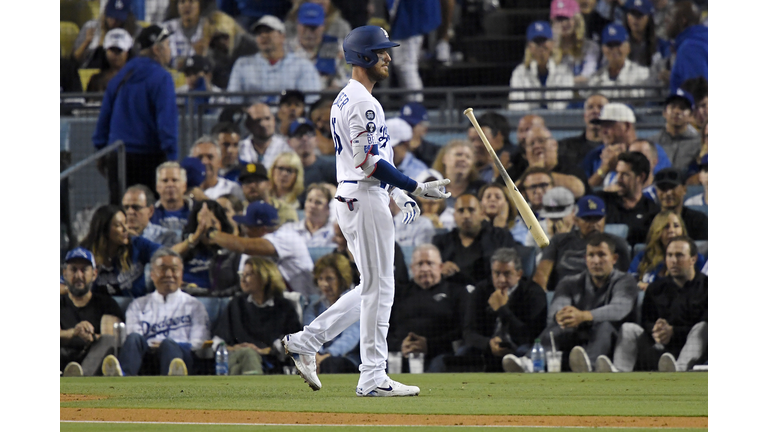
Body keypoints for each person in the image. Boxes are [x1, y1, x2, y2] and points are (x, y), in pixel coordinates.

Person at [281, 25, 451, 397]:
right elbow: (368, 163)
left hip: (359, 196)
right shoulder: (361, 101)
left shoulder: (350, 97)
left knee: (370, 288)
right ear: (363, 57)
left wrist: (398, 192)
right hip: (363, 197)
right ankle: (372, 375)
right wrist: (415, 187)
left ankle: (307, 341)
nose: (388, 56)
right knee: (381, 289)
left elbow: (376, 160)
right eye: (381, 51)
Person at [504, 232, 638, 373]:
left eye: (602, 255)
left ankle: (589, 366)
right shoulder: (570, 282)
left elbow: (618, 310)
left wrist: (583, 316)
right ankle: (529, 362)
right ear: (585, 259)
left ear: (614, 258)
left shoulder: (626, 281)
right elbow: (555, 312)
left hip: (613, 341)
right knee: (559, 325)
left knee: (605, 326)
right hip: (576, 338)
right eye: (591, 255)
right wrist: (562, 316)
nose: (596, 261)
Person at [93, 24, 178, 205]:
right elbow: (166, 124)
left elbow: (104, 117)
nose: (170, 51)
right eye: (168, 45)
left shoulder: (121, 75)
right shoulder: (162, 78)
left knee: (120, 213)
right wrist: (172, 159)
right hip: (150, 158)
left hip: (118, 156)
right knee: (148, 214)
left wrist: (102, 151)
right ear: (157, 49)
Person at [598, 236, 707, 372]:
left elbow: (706, 327)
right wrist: (656, 330)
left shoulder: (707, 286)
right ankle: (619, 373)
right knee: (628, 329)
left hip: (691, 347)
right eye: (669, 255)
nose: (673, 261)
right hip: (659, 347)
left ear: (693, 259)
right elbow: (646, 321)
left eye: (679, 255)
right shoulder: (655, 288)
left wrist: (673, 332)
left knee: (703, 328)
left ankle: (678, 372)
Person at [101, 249, 210, 376]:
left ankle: (173, 382)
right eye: (162, 269)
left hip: (181, 359)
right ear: (152, 274)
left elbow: (199, 342)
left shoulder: (195, 306)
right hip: (147, 358)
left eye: (174, 269)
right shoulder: (138, 305)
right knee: (134, 338)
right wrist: (156, 346)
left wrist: (168, 344)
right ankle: (122, 378)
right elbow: (134, 337)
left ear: (181, 274)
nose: (169, 274)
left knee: (169, 345)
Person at [212, 256, 303, 375]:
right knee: (248, 354)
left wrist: (266, 351)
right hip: (236, 357)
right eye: (242, 274)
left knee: (238, 369)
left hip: (271, 362)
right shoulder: (236, 304)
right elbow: (217, 342)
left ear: (264, 277)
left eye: (249, 274)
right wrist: (236, 349)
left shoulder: (284, 307)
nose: (243, 279)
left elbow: (296, 343)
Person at [462, 248, 547, 371]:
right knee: (464, 353)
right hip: (488, 348)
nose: (501, 280)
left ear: (519, 274)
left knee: (523, 352)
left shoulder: (534, 293)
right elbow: (468, 332)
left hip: (519, 349)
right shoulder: (481, 290)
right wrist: (488, 343)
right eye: (496, 273)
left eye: (507, 274)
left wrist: (502, 309)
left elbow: (531, 336)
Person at [387, 244, 468, 373]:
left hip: (441, 354)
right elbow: (385, 329)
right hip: (400, 354)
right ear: (412, 268)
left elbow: (463, 331)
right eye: (420, 264)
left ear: (441, 267)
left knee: (439, 364)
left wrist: (429, 345)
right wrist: (400, 345)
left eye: (430, 263)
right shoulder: (398, 294)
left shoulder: (456, 292)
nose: (425, 268)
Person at [209, 201, 315, 297]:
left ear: (262, 229)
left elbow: (242, 245)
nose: (245, 229)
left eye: (248, 226)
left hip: (305, 302)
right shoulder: (252, 246)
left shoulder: (288, 237)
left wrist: (211, 232)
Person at [532, 195, 631, 292]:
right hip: (564, 294)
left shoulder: (618, 244)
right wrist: (541, 296)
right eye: (588, 219)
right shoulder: (559, 241)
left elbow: (624, 278)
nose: (594, 224)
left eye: (598, 218)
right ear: (575, 220)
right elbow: (543, 272)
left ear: (605, 218)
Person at [227, 15, 322, 105]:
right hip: (254, 119)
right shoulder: (243, 65)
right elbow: (233, 101)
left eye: (268, 31)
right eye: (259, 33)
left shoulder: (303, 66)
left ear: (282, 36)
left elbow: (312, 100)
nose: (263, 35)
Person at [60, 248, 125, 376]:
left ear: (94, 274)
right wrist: (75, 332)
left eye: (84, 270)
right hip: (61, 359)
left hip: (94, 361)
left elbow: (112, 339)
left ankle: (80, 378)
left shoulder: (107, 303)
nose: (79, 275)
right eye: (73, 269)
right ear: (64, 273)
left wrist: (92, 336)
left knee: (108, 341)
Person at [433, 194, 519, 285]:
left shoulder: (500, 237)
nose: (466, 215)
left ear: (482, 213)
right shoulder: (441, 242)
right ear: (454, 216)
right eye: (461, 211)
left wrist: (459, 273)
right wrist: (440, 270)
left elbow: (510, 269)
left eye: (471, 210)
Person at [81, 205, 163, 298]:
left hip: (136, 308)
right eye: (118, 225)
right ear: (104, 229)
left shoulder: (137, 244)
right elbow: (64, 284)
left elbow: (166, 255)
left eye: (126, 223)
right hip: (100, 309)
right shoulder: (85, 253)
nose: (125, 229)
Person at [583, 103, 670, 189]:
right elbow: (583, 190)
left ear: (627, 126)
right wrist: (604, 169)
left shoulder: (649, 150)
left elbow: (660, 184)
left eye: (609, 125)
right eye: (601, 125)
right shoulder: (596, 154)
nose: (603, 131)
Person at [303, 253, 361, 374]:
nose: (324, 284)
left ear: (342, 279)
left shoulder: (355, 303)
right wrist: (317, 355)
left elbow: (351, 337)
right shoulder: (314, 307)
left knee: (330, 363)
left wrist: (327, 355)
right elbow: (310, 334)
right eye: (320, 279)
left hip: (350, 359)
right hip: (319, 358)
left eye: (329, 278)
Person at [176, 200, 242, 296]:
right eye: (201, 224)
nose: (207, 228)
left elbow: (238, 286)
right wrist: (194, 238)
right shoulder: (186, 248)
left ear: (221, 224)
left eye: (213, 223)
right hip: (186, 299)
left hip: (217, 300)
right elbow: (166, 257)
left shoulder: (231, 252)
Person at [628, 210, 705, 290]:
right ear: (657, 231)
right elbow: (629, 280)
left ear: (682, 230)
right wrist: (639, 284)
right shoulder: (644, 256)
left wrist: (653, 288)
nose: (671, 230)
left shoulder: (694, 258)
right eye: (666, 227)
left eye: (676, 226)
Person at [508, 21, 575, 111]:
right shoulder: (519, 72)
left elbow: (562, 106)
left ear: (552, 43)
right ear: (529, 46)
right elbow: (517, 107)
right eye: (537, 41)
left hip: (557, 122)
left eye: (544, 41)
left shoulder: (564, 71)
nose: (541, 46)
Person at [597, 151, 660, 245]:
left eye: (625, 174)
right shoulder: (603, 200)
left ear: (641, 177)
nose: (618, 179)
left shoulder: (652, 211)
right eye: (617, 173)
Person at [387, 0, 441, 101]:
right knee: (406, 64)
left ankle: (415, 110)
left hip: (409, 16)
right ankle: (413, 107)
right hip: (414, 14)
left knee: (405, 65)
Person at [287, 3, 349, 89]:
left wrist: (336, 86)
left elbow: (348, 79)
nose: (309, 32)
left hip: (327, 98)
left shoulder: (337, 47)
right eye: (305, 26)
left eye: (313, 27)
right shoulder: (285, 49)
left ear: (323, 26)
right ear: (297, 24)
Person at [586, 23, 650, 100]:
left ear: (628, 47)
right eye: (610, 45)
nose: (614, 49)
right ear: (603, 49)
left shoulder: (642, 74)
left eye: (618, 44)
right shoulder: (595, 79)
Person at [519, 127, 587, 197]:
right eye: (532, 143)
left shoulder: (572, 168)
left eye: (541, 141)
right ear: (526, 153)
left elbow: (578, 190)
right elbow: (512, 197)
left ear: (554, 144)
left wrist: (539, 171)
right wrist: (531, 171)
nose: (536, 146)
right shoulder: (518, 169)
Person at [72, 0, 140, 68]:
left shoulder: (136, 31)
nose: (113, 21)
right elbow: (74, 60)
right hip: (90, 71)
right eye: (111, 16)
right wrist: (86, 42)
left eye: (118, 18)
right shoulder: (91, 27)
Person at [286, 118, 337, 207]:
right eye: (299, 135)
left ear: (316, 140)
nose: (305, 138)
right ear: (289, 142)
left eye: (309, 134)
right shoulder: (284, 169)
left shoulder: (329, 168)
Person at [550, 0, 601, 85]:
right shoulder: (548, 49)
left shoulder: (590, 47)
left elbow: (587, 78)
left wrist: (563, 82)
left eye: (566, 18)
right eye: (559, 19)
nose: (563, 23)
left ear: (577, 20)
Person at [651, 89, 701, 171]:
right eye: (673, 107)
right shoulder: (652, 143)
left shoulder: (698, 143)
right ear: (664, 113)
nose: (677, 111)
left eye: (682, 108)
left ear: (691, 115)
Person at [557, 94, 608, 170]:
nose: (595, 111)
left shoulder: (616, 148)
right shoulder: (565, 147)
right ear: (585, 116)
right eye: (590, 107)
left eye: (601, 108)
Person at [654, 168, 707, 240]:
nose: (668, 193)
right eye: (663, 188)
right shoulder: (649, 221)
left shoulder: (699, 221)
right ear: (656, 191)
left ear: (684, 189)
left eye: (673, 187)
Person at [238, 102, 294, 171]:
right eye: (258, 120)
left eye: (267, 119)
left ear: (273, 120)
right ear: (248, 125)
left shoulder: (286, 147)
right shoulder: (240, 148)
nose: (263, 124)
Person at [666, 1, 707, 92]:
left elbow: (697, 94)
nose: (666, 20)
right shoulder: (702, 39)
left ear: (682, 20)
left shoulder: (690, 48)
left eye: (670, 15)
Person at [432, 140, 486, 210]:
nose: (463, 159)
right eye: (458, 155)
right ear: (444, 158)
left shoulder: (481, 190)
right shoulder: (432, 188)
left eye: (468, 157)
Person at [189, 136, 244, 201]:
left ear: (219, 161)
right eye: (199, 158)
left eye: (210, 157)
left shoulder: (232, 189)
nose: (205, 162)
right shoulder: (183, 187)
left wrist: (203, 198)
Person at [163, 0, 213, 70]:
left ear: (200, 5)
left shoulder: (209, 28)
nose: (186, 5)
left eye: (191, 1)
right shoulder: (167, 28)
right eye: (182, 2)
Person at [282, 183, 336, 248]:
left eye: (318, 202)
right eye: (309, 200)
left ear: (329, 209)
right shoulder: (289, 230)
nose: (312, 206)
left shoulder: (335, 234)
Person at [467, 112, 516, 183]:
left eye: (482, 139)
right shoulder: (465, 169)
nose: (476, 144)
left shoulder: (512, 163)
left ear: (499, 136)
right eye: (472, 140)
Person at [510, 167, 554, 245]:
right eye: (533, 187)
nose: (539, 191)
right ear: (524, 192)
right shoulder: (515, 216)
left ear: (553, 187)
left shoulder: (566, 213)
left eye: (543, 185)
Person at [151, 162, 195, 237]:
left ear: (184, 186)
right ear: (157, 187)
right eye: (165, 181)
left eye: (174, 180)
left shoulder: (196, 211)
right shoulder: (149, 213)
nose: (170, 185)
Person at [624, 0, 669, 70]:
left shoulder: (661, 45)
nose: (635, 19)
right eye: (633, 14)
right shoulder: (620, 42)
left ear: (649, 18)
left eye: (640, 15)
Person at [86, 28, 134, 93]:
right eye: (112, 50)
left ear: (127, 52)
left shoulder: (136, 78)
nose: (115, 54)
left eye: (119, 50)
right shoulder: (96, 80)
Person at [399, 102, 441, 168]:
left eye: (411, 125)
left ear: (424, 128)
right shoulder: (394, 151)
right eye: (403, 125)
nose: (406, 129)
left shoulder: (436, 153)